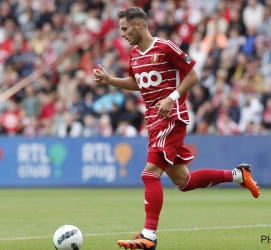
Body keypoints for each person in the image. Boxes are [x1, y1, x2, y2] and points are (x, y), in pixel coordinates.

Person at [93, 7, 260, 250]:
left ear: (139, 25)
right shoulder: (134, 54)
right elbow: (137, 83)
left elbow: (192, 75)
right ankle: (239, 175)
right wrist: (110, 81)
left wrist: (172, 97)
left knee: (149, 174)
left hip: (172, 116)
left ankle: (149, 236)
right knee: (184, 182)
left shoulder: (165, 47)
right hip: (153, 121)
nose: (122, 33)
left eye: (125, 28)